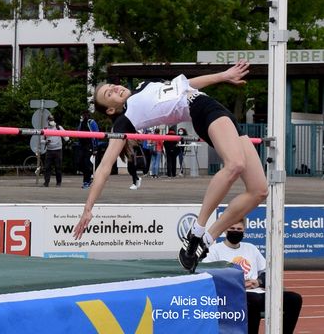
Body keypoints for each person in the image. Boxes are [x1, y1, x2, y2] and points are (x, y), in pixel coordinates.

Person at [73, 60, 268, 274]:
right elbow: (103, 168)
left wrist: (223, 75)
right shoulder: (124, 121)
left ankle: (206, 240)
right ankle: (196, 231)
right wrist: (88, 209)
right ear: (111, 109)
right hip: (203, 111)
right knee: (235, 164)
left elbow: (188, 85)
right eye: (109, 94)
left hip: (217, 109)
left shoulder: (145, 85)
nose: (115, 89)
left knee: (259, 190)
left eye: (111, 86)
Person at [203, 218, 302, 334]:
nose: (236, 231)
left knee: (294, 299)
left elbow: (268, 271)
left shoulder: (251, 248)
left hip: (258, 292)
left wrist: (258, 282)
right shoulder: (215, 250)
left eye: (239, 229)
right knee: (253, 301)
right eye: (232, 229)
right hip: (234, 295)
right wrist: (238, 284)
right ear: (225, 230)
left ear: (244, 231)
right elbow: (208, 274)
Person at [42, 115, 69, 187]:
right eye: (50, 120)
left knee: (58, 167)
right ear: (47, 121)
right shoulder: (45, 129)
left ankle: (58, 182)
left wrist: (66, 139)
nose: (51, 122)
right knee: (47, 167)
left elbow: (66, 137)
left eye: (52, 120)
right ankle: (46, 182)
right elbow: (41, 140)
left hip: (58, 150)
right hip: (49, 150)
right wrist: (45, 142)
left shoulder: (58, 127)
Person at [77, 110, 99, 189]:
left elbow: (96, 134)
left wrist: (95, 147)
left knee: (87, 164)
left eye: (84, 115)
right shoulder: (81, 123)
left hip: (89, 146)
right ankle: (89, 178)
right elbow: (78, 133)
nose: (83, 116)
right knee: (79, 162)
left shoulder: (91, 122)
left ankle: (86, 181)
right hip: (82, 146)